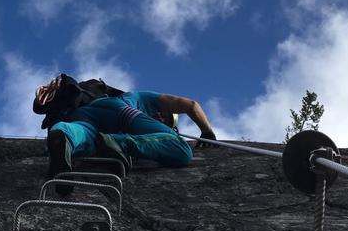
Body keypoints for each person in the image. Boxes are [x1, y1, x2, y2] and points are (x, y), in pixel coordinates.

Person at [33, 76, 217, 193]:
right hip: (122, 114)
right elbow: (191, 104)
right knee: (181, 149)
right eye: (165, 118)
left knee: (81, 133)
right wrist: (207, 131)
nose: (160, 119)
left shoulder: (127, 96)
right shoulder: (140, 100)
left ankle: (63, 134)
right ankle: (119, 144)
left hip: (86, 116)